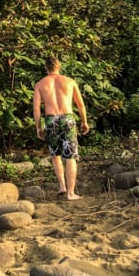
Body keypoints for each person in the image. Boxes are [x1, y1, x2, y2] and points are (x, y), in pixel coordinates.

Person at [33, 56, 89, 200]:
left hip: (51, 120)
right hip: (67, 119)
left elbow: (36, 109)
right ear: (59, 66)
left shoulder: (40, 84)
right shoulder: (70, 82)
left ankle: (62, 186)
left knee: (55, 154)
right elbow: (80, 104)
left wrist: (38, 127)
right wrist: (84, 122)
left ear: (46, 68)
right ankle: (70, 193)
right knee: (71, 156)